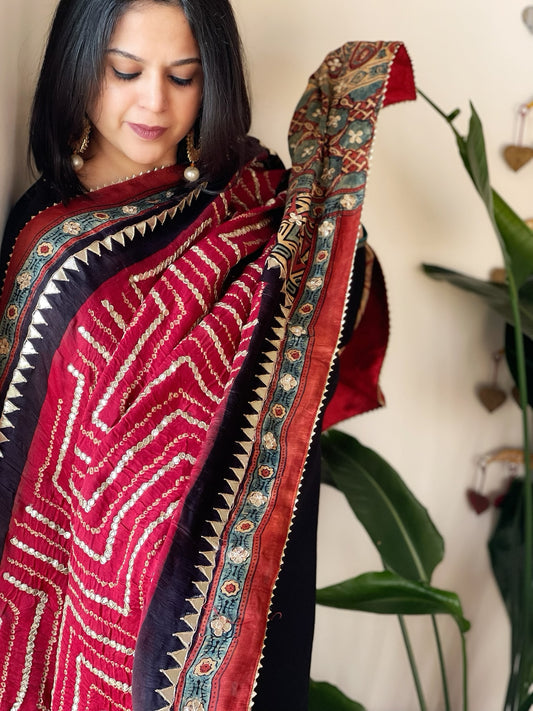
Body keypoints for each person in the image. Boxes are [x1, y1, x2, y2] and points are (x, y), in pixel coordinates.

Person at [0, 0, 415, 708]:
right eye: (124, 71)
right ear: (78, 63)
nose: (153, 103)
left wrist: (322, 221)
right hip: (94, 597)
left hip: (246, 577)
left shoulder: (254, 198)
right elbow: (40, 447)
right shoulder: (50, 239)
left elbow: (326, 322)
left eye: (183, 77)